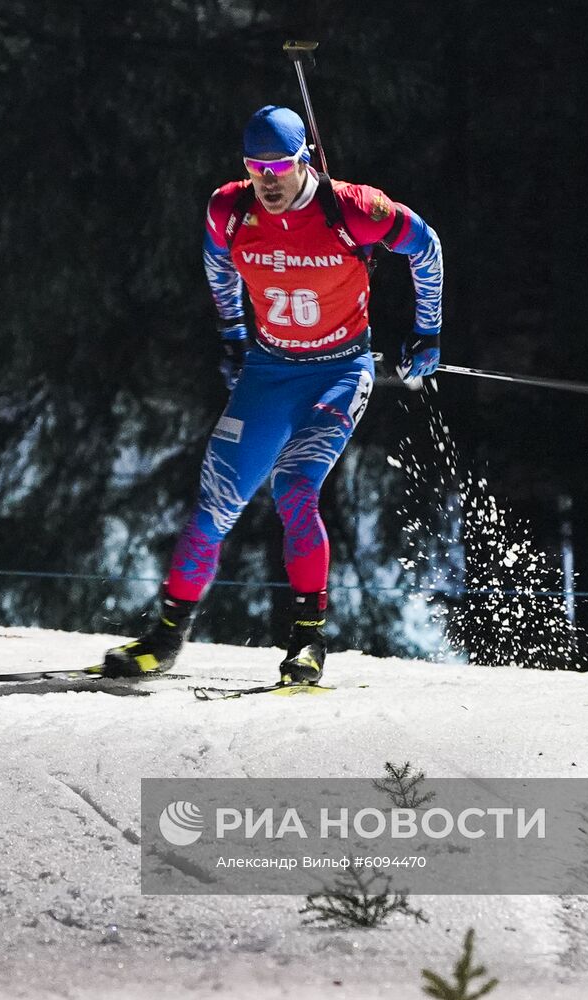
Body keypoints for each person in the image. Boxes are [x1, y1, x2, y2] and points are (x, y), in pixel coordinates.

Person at [103, 104, 443, 685]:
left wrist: (427, 331)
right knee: (216, 502)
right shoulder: (229, 209)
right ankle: (164, 637)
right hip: (268, 371)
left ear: (303, 160)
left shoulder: (354, 209)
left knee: (294, 486)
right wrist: (232, 332)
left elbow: (426, 245)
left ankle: (307, 640)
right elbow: (218, 263)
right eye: (255, 168)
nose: (268, 180)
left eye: (279, 167)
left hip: (339, 372)